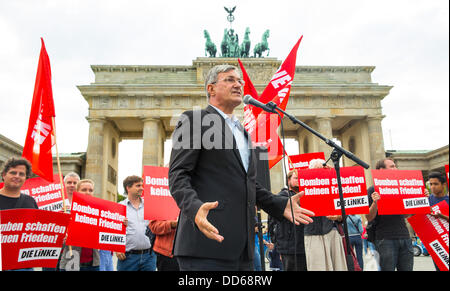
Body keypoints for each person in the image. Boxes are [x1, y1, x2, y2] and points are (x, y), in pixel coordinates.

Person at [168, 64, 314, 271]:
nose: (238, 85)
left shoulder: (243, 133)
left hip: (242, 251)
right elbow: (177, 175)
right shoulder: (195, 119)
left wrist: (279, 205)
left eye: (240, 81)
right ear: (211, 88)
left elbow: (248, 185)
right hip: (205, 247)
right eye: (229, 80)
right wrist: (193, 208)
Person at [365, 158, 414, 271]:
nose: (395, 168)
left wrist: (418, 199)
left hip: (404, 236)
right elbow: (369, 217)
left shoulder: (400, 187)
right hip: (385, 239)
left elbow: (406, 215)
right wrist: (375, 202)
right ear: (381, 170)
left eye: (395, 166)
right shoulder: (372, 190)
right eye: (392, 166)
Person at [303, 159, 348, 271]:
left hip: (331, 231)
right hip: (313, 234)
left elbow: (344, 213)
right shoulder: (304, 187)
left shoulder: (334, 187)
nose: (320, 172)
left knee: (339, 267)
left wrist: (338, 216)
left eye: (322, 170)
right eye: (317, 170)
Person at [0, 157, 37, 271]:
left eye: (21, 174)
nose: (17, 176)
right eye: (13, 172)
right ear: (4, 175)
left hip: (23, 264)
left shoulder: (30, 201)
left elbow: (37, 229)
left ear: (26, 178)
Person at [116, 175, 156, 271]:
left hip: (149, 257)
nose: (142, 188)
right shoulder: (119, 207)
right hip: (128, 258)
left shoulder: (150, 205)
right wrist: (116, 249)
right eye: (138, 186)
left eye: (142, 185)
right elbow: (112, 230)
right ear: (128, 188)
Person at [59, 179, 101, 271]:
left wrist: (121, 225)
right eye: (84, 190)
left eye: (90, 190)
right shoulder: (66, 211)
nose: (88, 192)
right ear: (77, 192)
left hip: (93, 265)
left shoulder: (99, 213)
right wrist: (63, 238)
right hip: (71, 263)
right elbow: (56, 237)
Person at [274, 170, 307, 271]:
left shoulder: (307, 195)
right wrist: (278, 247)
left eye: (301, 178)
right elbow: (273, 222)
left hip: (306, 244)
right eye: (296, 178)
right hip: (289, 248)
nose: (299, 180)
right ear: (288, 180)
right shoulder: (282, 197)